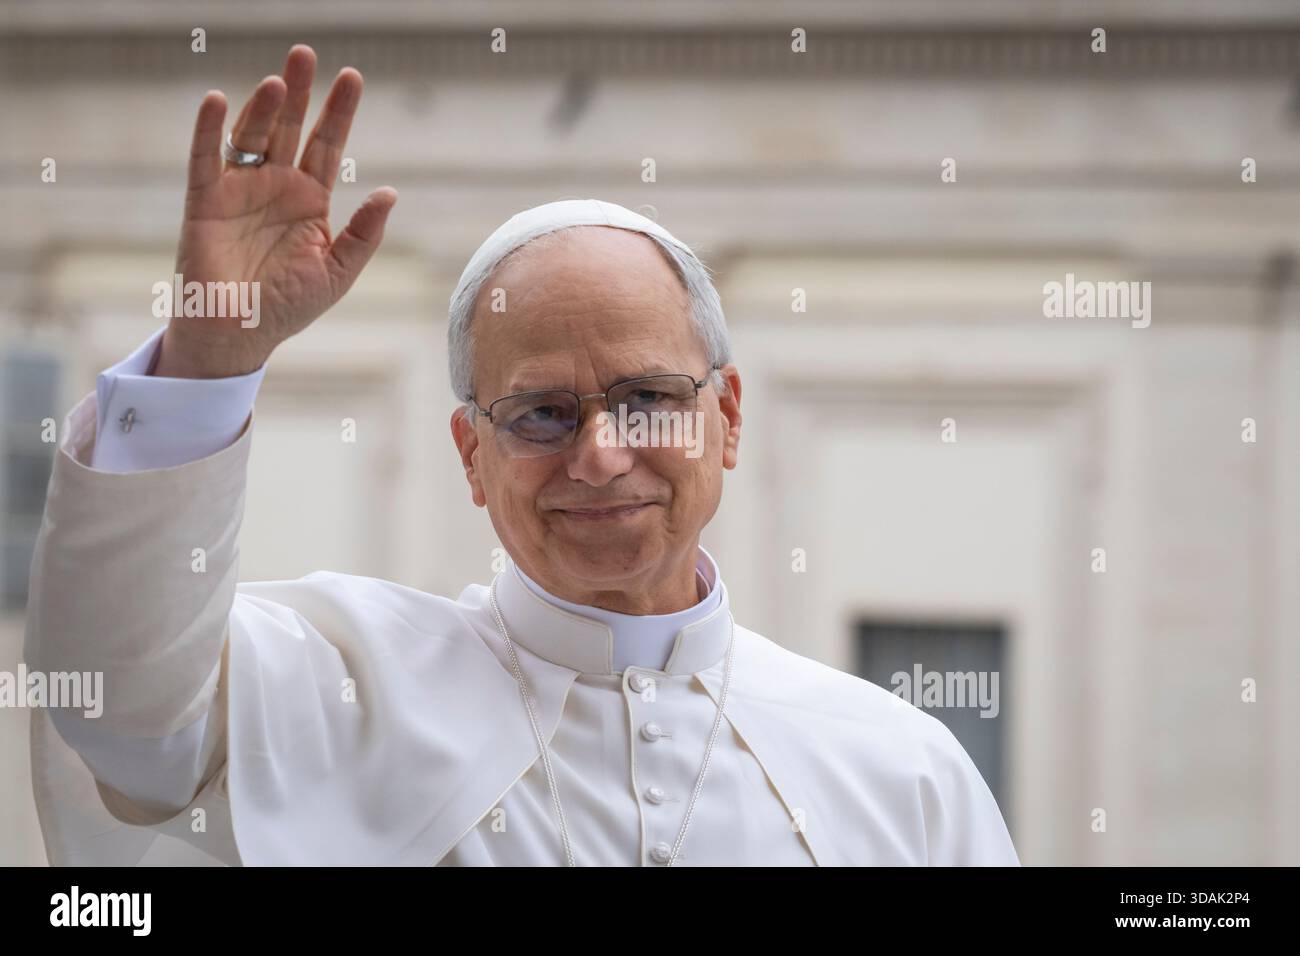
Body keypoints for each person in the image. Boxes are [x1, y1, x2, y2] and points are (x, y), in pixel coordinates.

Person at [25, 44, 1019, 867]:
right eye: (541, 413)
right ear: (470, 453)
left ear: (728, 415)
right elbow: (122, 710)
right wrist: (207, 355)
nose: (597, 454)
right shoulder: (337, 688)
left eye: (645, 399)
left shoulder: (905, 773)